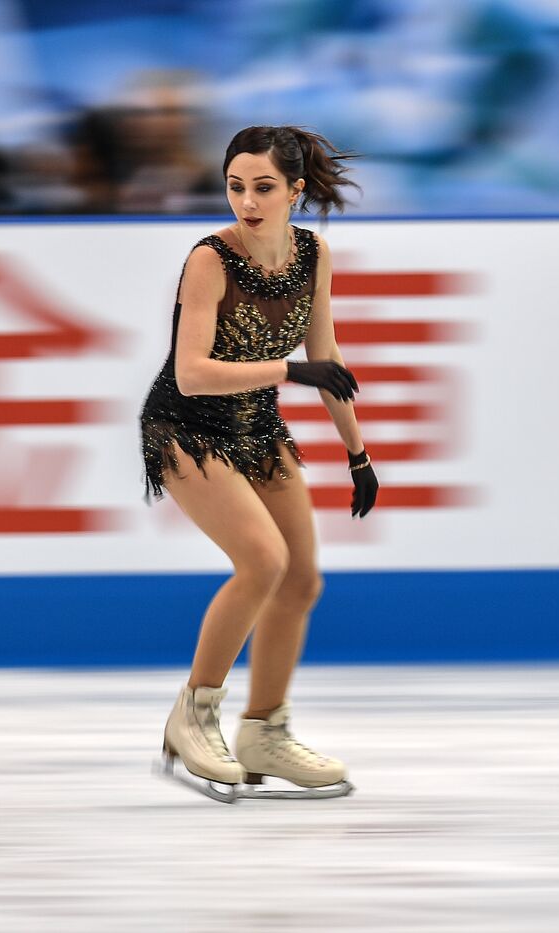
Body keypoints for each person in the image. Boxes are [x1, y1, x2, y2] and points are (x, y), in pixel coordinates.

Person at [139, 125, 379, 803]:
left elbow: (326, 360)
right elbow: (189, 374)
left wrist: (357, 453)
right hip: (185, 426)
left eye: (264, 188)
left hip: (255, 424)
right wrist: (289, 368)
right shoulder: (210, 259)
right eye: (236, 186)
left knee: (301, 578)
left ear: (295, 191)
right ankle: (193, 714)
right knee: (262, 562)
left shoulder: (312, 253)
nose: (247, 201)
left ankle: (264, 731)